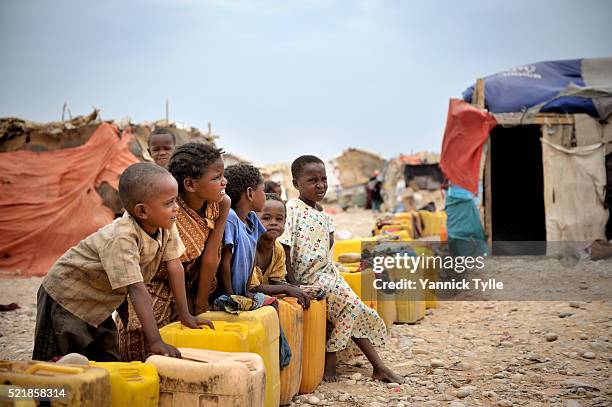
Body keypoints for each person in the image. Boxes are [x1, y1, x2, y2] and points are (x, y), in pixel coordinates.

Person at [33, 162, 206, 362]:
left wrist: (185, 315)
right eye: (169, 203)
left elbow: (174, 266)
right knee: (59, 363)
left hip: (99, 304)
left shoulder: (166, 224)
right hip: (66, 298)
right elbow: (136, 288)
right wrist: (155, 341)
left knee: (107, 361)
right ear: (142, 211)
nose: (176, 208)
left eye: (176, 200)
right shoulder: (121, 237)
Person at [279, 155, 404, 383]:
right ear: (296, 184)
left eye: (323, 179)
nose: (320, 185)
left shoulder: (325, 216)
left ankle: (376, 366)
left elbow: (329, 246)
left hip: (328, 276)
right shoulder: (292, 211)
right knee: (352, 307)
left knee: (356, 309)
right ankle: (335, 359)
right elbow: (285, 247)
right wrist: (293, 284)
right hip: (308, 279)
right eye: (312, 180)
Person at [116, 143, 230, 361]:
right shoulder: (166, 207)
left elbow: (210, 256)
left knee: (195, 328)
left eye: (223, 175)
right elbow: (166, 262)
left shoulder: (221, 204)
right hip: (154, 276)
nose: (224, 182)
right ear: (190, 184)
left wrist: (200, 305)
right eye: (216, 178)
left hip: (192, 276)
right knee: (140, 331)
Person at [248, 193, 310, 307]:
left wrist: (298, 289)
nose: (273, 222)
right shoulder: (249, 247)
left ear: (285, 223)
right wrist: (287, 289)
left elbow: (274, 280)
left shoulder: (277, 249)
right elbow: (253, 287)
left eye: (279, 219)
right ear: (252, 220)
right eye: (266, 218)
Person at [219, 164, 267, 297]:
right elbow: (225, 262)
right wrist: (231, 297)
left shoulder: (252, 219)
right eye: (263, 190)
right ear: (250, 193)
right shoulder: (230, 218)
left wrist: (246, 292)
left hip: (241, 293)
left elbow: (252, 260)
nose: (265, 196)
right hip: (227, 295)